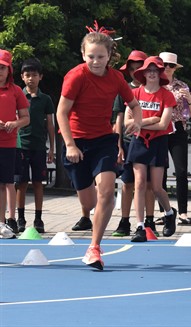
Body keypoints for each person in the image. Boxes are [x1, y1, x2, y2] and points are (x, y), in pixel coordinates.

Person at [56, 22, 142, 270]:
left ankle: (94, 247)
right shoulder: (75, 76)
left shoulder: (116, 78)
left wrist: (136, 122)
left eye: (101, 56)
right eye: (91, 56)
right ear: (83, 55)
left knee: (106, 191)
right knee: (89, 201)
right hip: (77, 142)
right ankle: (89, 210)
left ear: (109, 57)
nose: (95, 61)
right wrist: (70, 145)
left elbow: (134, 104)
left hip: (104, 140)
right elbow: (62, 112)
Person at [124, 56, 178, 242]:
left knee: (156, 187)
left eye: (156, 70)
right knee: (138, 183)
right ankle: (140, 226)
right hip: (139, 142)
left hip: (158, 143)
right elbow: (127, 123)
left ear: (160, 73)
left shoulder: (166, 95)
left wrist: (140, 124)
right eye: (149, 70)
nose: (152, 73)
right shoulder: (135, 94)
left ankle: (170, 213)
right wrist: (148, 120)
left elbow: (163, 125)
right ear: (143, 73)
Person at [110, 50, 159, 237]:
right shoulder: (124, 89)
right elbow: (119, 119)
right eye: (132, 69)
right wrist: (119, 145)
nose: (136, 72)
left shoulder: (155, 90)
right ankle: (124, 221)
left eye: (140, 68)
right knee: (127, 182)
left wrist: (151, 122)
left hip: (150, 141)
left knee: (148, 184)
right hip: (130, 141)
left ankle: (149, 220)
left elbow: (162, 118)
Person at [13, 58, 55, 234]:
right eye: (27, 75)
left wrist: (51, 148)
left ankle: (38, 219)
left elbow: (51, 125)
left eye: (34, 75)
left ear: (41, 77)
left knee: (38, 183)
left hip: (39, 147)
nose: (31, 78)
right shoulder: (18, 96)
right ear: (22, 77)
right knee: (21, 183)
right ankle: (20, 218)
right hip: (21, 146)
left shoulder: (46, 99)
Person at [159, 51, 191, 227]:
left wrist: (189, 99)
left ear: (175, 68)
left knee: (181, 171)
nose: (167, 68)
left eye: (171, 65)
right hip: (159, 130)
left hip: (178, 129)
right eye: (164, 65)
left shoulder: (182, 86)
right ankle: (164, 211)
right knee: (159, 172)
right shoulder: (153, 85)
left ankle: (183, 212)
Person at [0, 49, 30, 239]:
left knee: (5, 183)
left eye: (2, 67)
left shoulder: (16, 90)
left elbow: (26, 118)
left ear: (9, 70)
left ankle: (3, 222)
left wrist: (14, 123)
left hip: (8, 143)